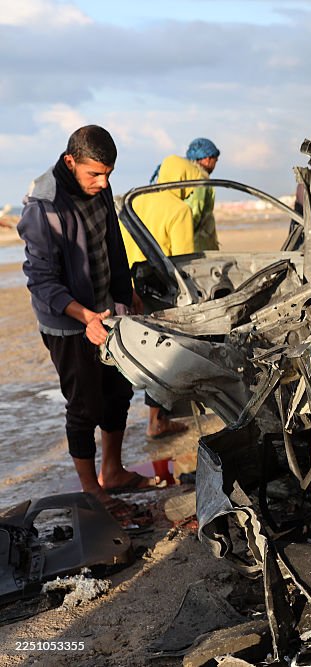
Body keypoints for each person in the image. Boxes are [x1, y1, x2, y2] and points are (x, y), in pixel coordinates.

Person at [17, 125, 159, 521]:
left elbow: (112, 240)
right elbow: (42, 281)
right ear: (70, 162)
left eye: (108, 174)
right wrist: (85, 318)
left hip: (105, 308)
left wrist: (124, 288)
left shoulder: (101, 185)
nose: (102, 182)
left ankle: (112, 472)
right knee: (84, 404)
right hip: (66, 321)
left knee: (118, 389)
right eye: (94, 174)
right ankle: (91, 490)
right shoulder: (43, 206)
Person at [122, 155, 198, 438]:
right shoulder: (179, 209)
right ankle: (158, 421)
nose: (190, 191)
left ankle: (154, 419)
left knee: (144, 353)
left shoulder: (137, 200)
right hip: (163, 292)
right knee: (169, 354)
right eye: (189, 183)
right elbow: (185, 262)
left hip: (129, 289)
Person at [151, 138, 220, 251]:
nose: (215, 165)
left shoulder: (185, 173)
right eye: (215, 160)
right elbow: (194, 214)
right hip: (197, 248)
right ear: (207, 159)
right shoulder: (200, 179)